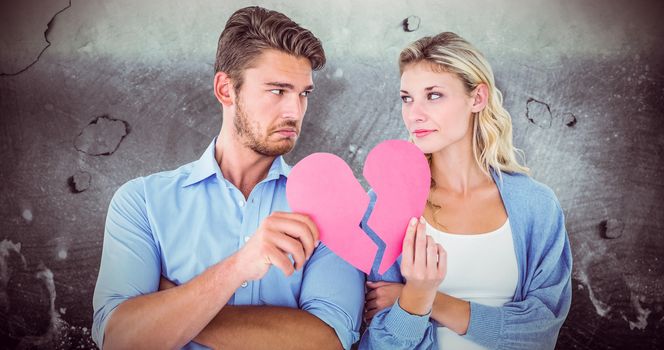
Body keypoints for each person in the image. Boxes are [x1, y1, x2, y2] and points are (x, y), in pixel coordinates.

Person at [92, 6, 364, 350]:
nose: (294, 111)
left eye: (303, 93)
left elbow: (327, 342)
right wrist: (238, 267)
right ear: (225, 89)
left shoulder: (330, 207)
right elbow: (120, 340)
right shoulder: (142, 202)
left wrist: (175, 308)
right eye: (278, 90)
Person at [359, 32, 572, 349]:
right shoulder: (386, 204)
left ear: (477, 98)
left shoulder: (536, 205)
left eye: (433, 95)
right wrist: (418, 295)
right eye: (407, 98)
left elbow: (540, 332)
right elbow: (379, 343)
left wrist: (422, 297)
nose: (414, 113)